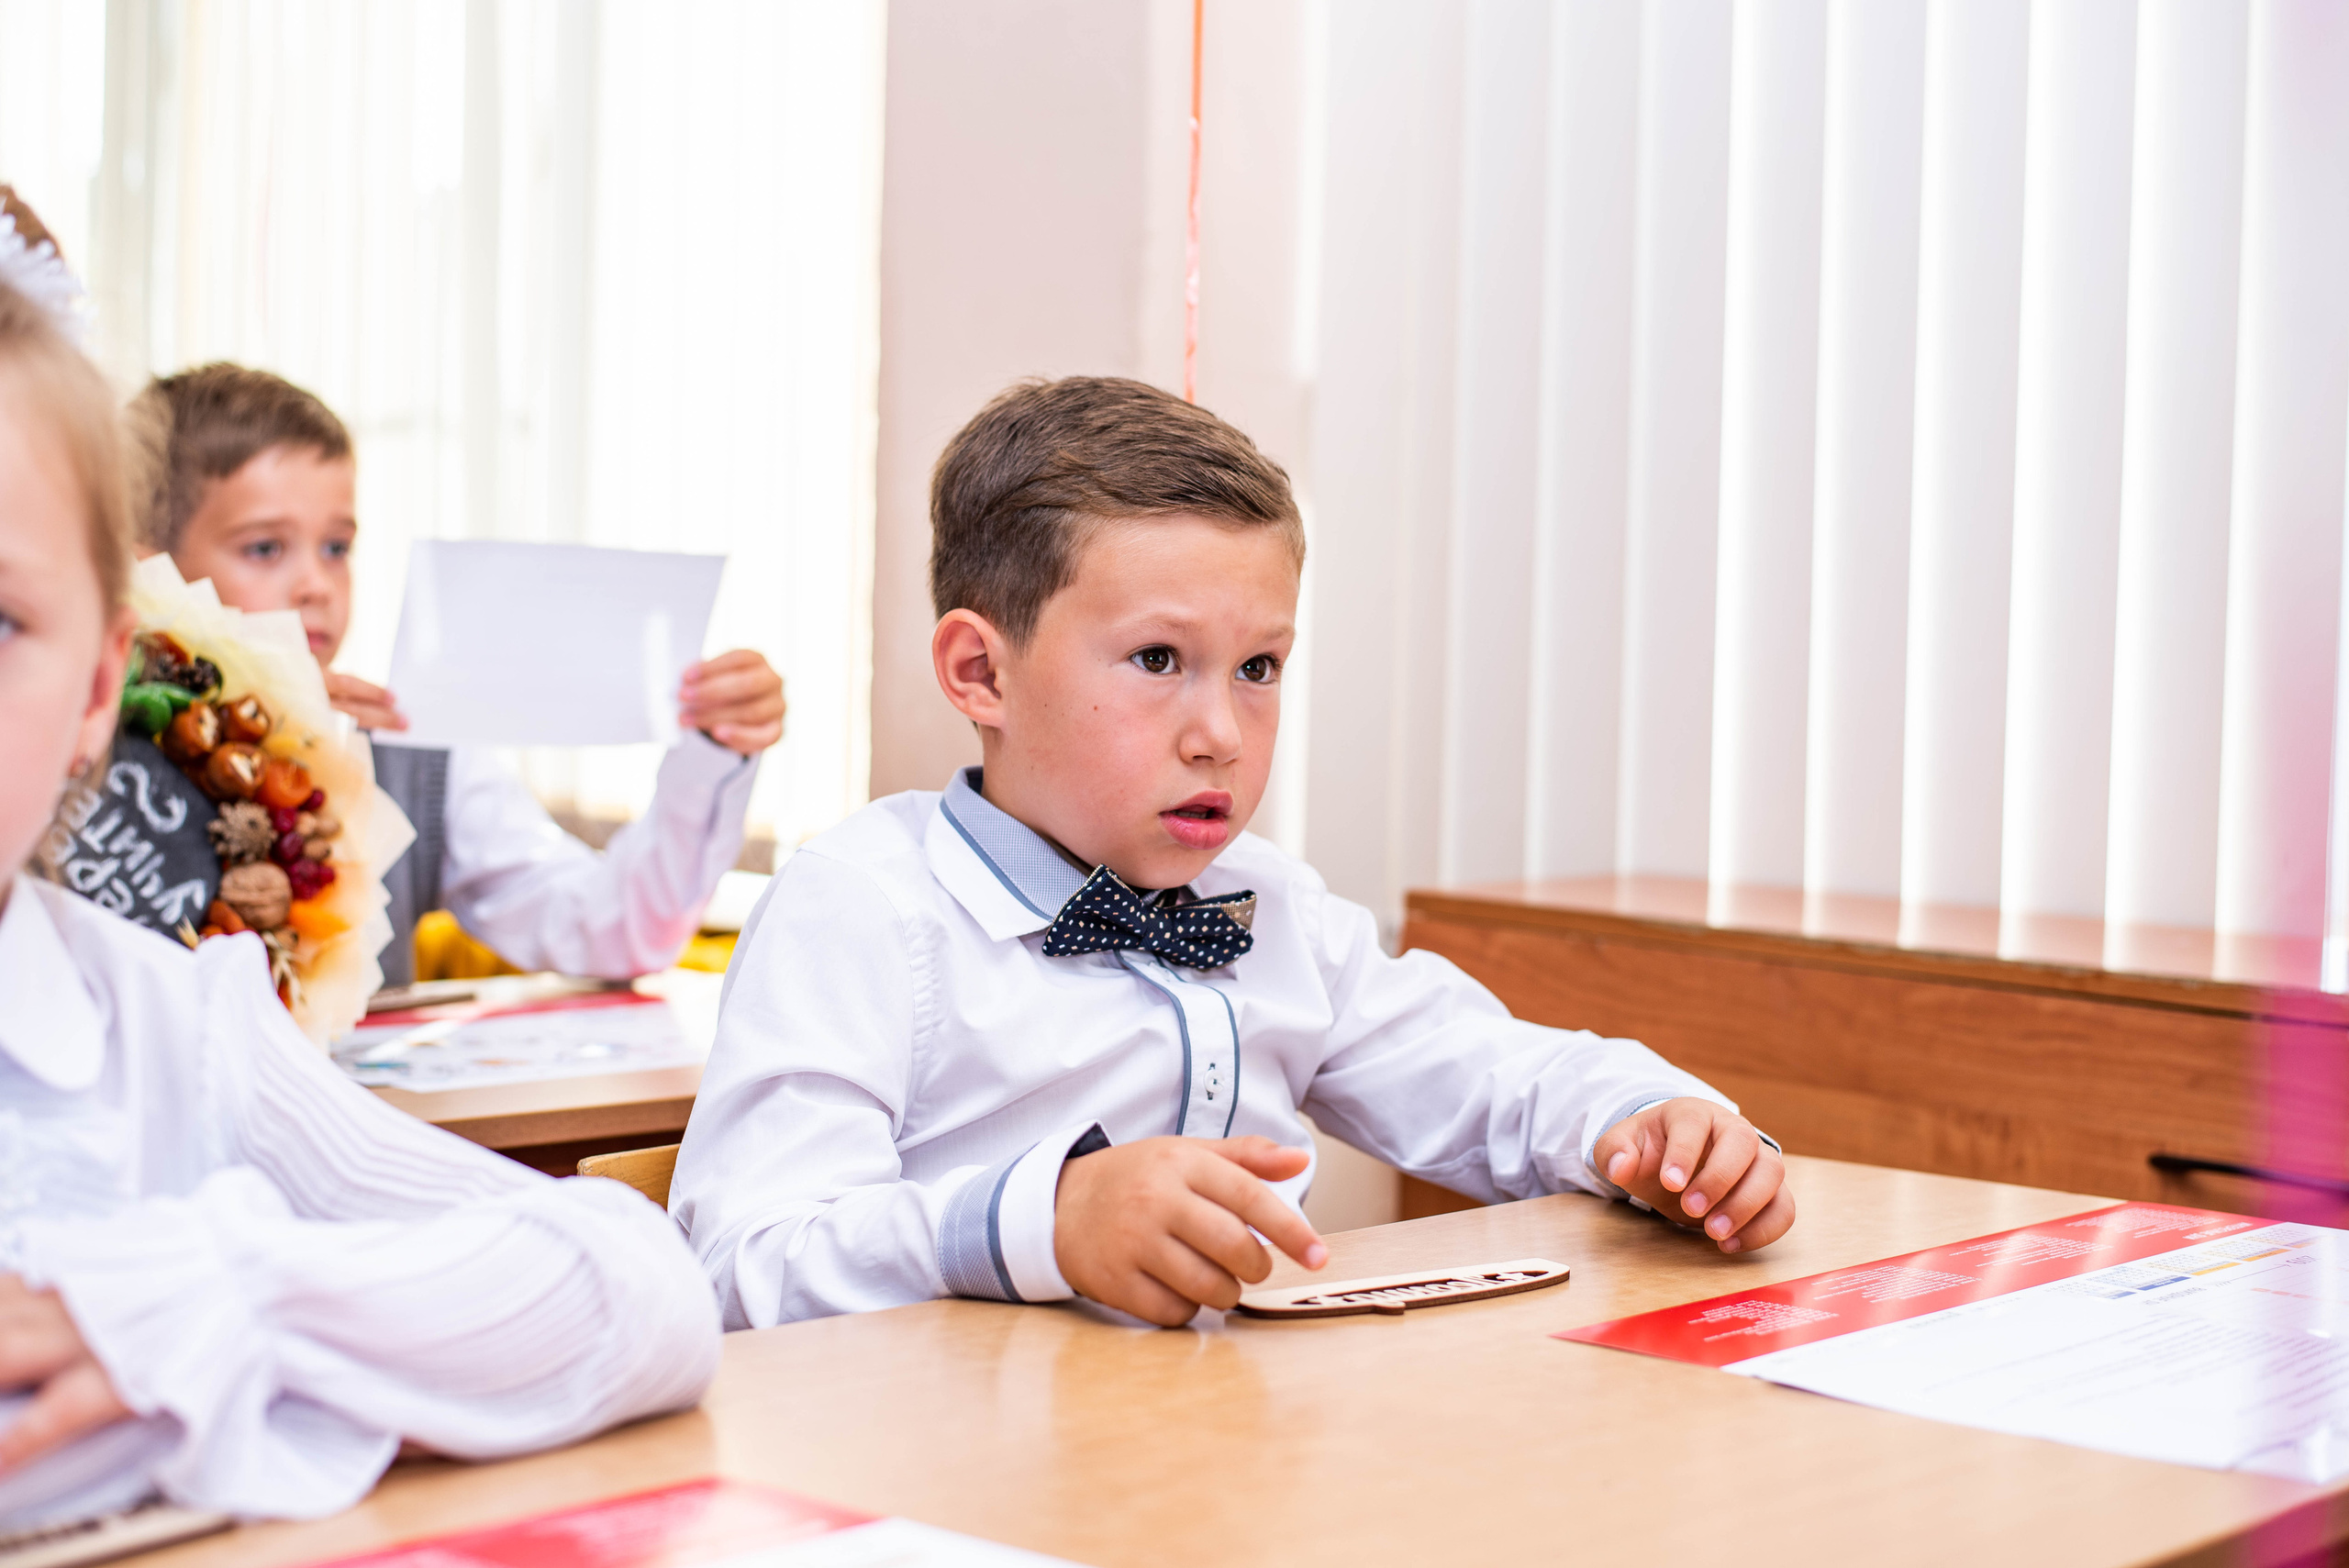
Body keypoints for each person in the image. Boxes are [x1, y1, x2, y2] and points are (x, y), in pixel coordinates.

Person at [672, 376, 1796, 1330]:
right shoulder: (862, 906)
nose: (1220, 730)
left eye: (1258, 668)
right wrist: (1044, 1222)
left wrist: (1648, 1119)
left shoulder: (1270, 901)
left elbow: (1488, 1074)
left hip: (1209, 1454)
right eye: (1158, 658)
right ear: (980, 672)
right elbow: (745, 1260)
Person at [0, 257, 718, 1526]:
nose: (318, 584)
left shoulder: (177, 1027)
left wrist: (211, 1294)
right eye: (270, 548)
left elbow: (638, 1274)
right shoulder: (141, 795)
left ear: (99, 682)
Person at [130, 363, 788, 985]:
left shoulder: (410, 751)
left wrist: (713, 755)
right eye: (266, 547)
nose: (316, 585)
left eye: (337, 547)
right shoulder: (85, 742)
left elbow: (618, 930)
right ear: (147, 563)